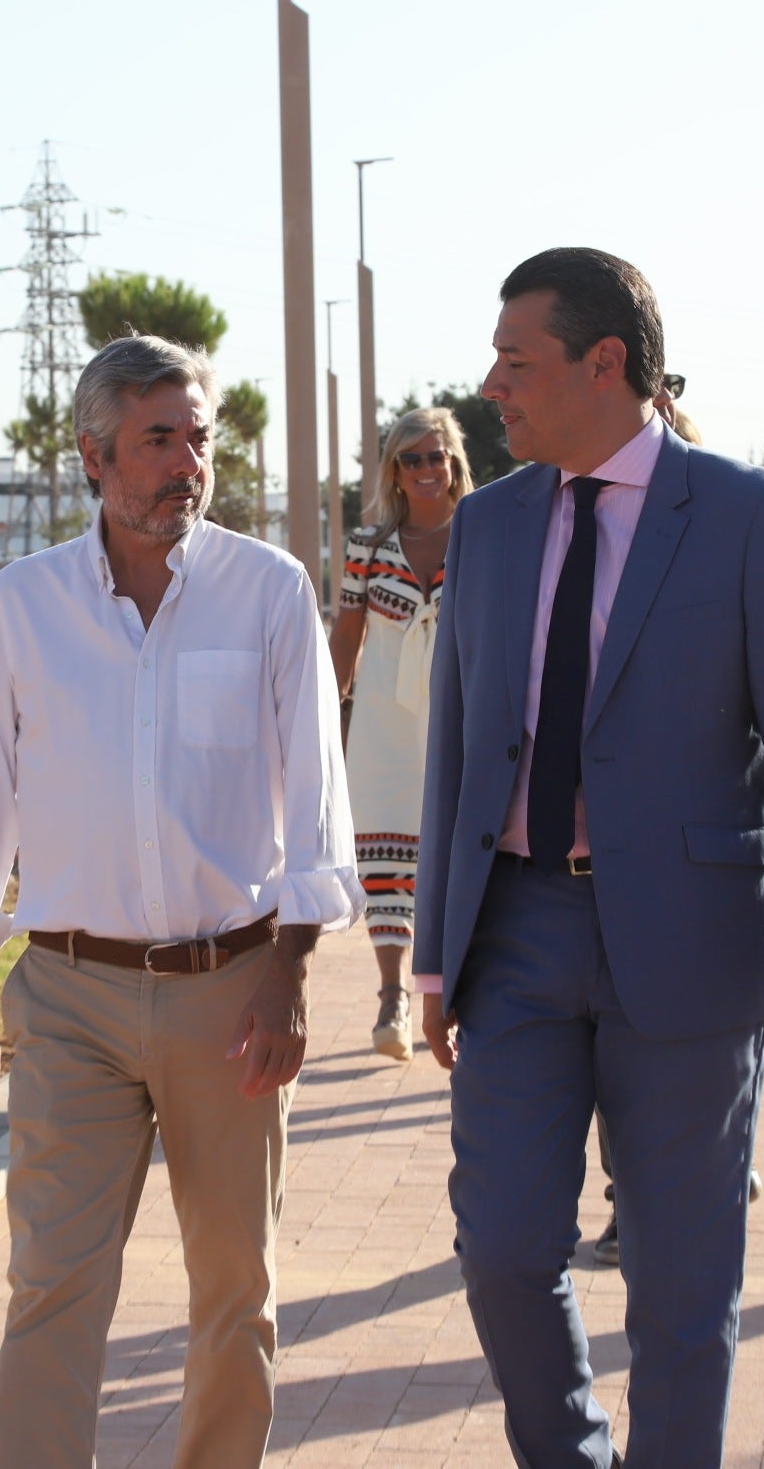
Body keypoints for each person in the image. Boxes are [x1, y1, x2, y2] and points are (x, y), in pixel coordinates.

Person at [417, 248, 764, 1466]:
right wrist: (433, 950)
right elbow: (458, 743)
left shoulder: (741, 513)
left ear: (604, 363)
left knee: (680, 1281)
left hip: (695, 943)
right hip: (514, 933)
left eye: (517, 363)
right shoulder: (491, 522)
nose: (491, 389)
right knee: (504, 1246)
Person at [0, 335, 362, 1467]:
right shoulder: (23, 606)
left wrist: (289, 977)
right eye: (159, 439)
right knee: (52, 1285)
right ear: (94, 456)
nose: (188, 463)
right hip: (67, 996)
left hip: (231, 996)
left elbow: (317, 799)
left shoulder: (268, 593)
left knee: (235, 1289)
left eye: (200, 438)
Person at [330, 406, 473, 1059]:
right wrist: (325, 717)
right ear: (394, 469)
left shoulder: (483, 533)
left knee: (462, 853)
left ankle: (460, 991)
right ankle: (392, 996)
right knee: (385, 861)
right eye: (410, 458)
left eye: (433, 455)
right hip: (385, 723)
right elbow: (347, 636)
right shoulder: (367, 546)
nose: (423, 468)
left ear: (453, 462)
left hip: (464, 716)